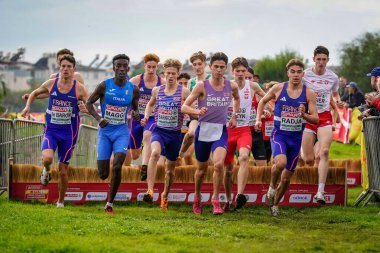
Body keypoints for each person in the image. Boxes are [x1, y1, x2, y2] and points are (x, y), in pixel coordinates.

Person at [21, 54, 89, 208]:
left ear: (73, 70)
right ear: (59, 68)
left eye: (69, 67)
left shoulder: (79, 88)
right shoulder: (51, 83)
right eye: (63, 66)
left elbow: (90, 103)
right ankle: (45, 171)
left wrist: (87, 109)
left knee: (63, 171)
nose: (65, 69)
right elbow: (35, 93)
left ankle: (60, 202)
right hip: (51, 130)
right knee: (47, 159)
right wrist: (28, 106)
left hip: (68, 133)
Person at [255, 59, 318, 216]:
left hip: (296, 138)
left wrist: (304, 114)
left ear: (303, 74)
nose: (296, 75)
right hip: (279, 135)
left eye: (299, 72)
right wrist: (257, 119)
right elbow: (262, 102)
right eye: (293, 72)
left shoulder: (308, 93)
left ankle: (275, 204)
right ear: (288, 73)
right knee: (281, 163)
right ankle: (270, 189)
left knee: (287, 177)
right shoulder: (278, 88)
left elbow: (316, 119)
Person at [182, 52, 240, 215]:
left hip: (220, 130)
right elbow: (184, 107)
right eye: (216, 67)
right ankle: (197, 198)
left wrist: (234, 115)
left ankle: (216, 200)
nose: (219, 70)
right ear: (210, 67)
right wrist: (198, 111)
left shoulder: (231, 85)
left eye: (222, 67)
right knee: (201, 170)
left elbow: (236, 99)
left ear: (226, 68)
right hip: (203, 130)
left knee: (219, 164)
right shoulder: (201, 86)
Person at [85, 54, 139, 213]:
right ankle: (105, 175)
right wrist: (98, 118)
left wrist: (136, 114)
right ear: (114, 68)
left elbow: (135, 109)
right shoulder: (104, 86)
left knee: (117, 166)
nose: (122, 69)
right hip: (105, 132)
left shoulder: (133, 89)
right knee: (103, 174)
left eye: (125, 66)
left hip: (122, 132)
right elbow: (88, 103)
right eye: (118, 66)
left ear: (128, 69)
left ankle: (110, 204)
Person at [140, 59, 190, 209]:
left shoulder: (184, 91)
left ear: (177, 74)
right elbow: (150, 104)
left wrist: (193, 115)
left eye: (173, 74)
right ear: (164, 74)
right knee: (154, 153)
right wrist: (146, 117)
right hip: (159, 131)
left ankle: (165, 196)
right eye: (168, 73)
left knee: (170, 170)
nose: (170, 76)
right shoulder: (157, 90)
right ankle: (149, 190)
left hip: (175, 135)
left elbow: (191, 106)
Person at [301, 46, 343, 205]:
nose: (321, 62)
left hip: (324, 117)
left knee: (324, 152)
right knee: (310, 160)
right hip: (308, 116)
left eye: (324, 60)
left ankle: (320, 192)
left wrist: (338, 101)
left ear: (328, 60)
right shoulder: (305, 74)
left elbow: (335, 94)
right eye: (318, 59)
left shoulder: (333, 77)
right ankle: (301, 151)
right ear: (313, 60)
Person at [223, 57, 266, 212]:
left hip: (244, 130)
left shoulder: (252, 85)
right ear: (232, 71)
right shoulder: (225, 85)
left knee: (243, 158)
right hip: (227, 131)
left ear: (247, 71)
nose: (240, 74)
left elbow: (266, 97)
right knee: (227, 170)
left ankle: (240, 195)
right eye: (237, 71)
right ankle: (228, 199)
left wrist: (264, 110)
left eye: (243, 71)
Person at [128, 54, 164, 180]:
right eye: (149, 67)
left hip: (153, 117)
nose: (151, 70)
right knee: (134, 155)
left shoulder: (161, 83)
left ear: (157, 67)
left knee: (148, 135)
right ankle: (143, 148)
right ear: (144, 66)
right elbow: (126, 97)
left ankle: (144, 166)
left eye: (154, 67)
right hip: (137, 117)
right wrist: (129, 111)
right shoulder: (135, 81)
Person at [178, 51, 211, 165]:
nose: (197, 67)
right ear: (192, 66)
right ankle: (180, 153)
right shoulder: (191, 82)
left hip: (211, 119)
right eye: (195, 64)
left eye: (199, 64)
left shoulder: (211, 79)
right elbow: (187, 103)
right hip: (196, 117)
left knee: (208, 159)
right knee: (191, 133)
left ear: (205, 64)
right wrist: (194, 112)